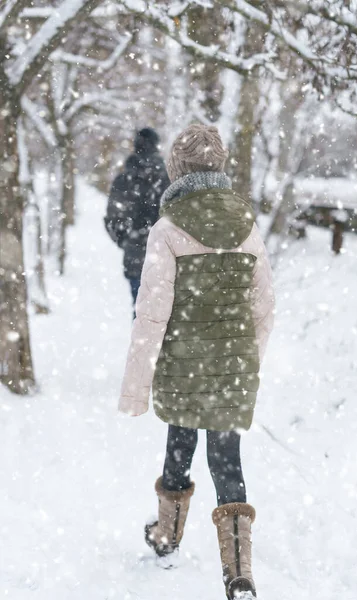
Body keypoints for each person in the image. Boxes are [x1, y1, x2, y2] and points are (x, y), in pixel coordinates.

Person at [119, 124, 275, 599]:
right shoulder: (246, 224)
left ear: (177, 169)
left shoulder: (167, 230)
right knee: (226, 460)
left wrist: (135, 389)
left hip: (182, 369)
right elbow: (263, 306)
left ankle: (167, 536)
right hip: (231, 369)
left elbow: (151, 316)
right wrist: (246, 361)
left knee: (180, 443)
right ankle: (239, 572)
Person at [104, 127, 169, 315]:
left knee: (140, 311)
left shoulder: (124, 180)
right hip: (165, 256)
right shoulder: (168, 179)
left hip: (135, 256)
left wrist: (127, 241)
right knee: (163, 314)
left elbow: (113, 219)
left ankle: (142, 343)